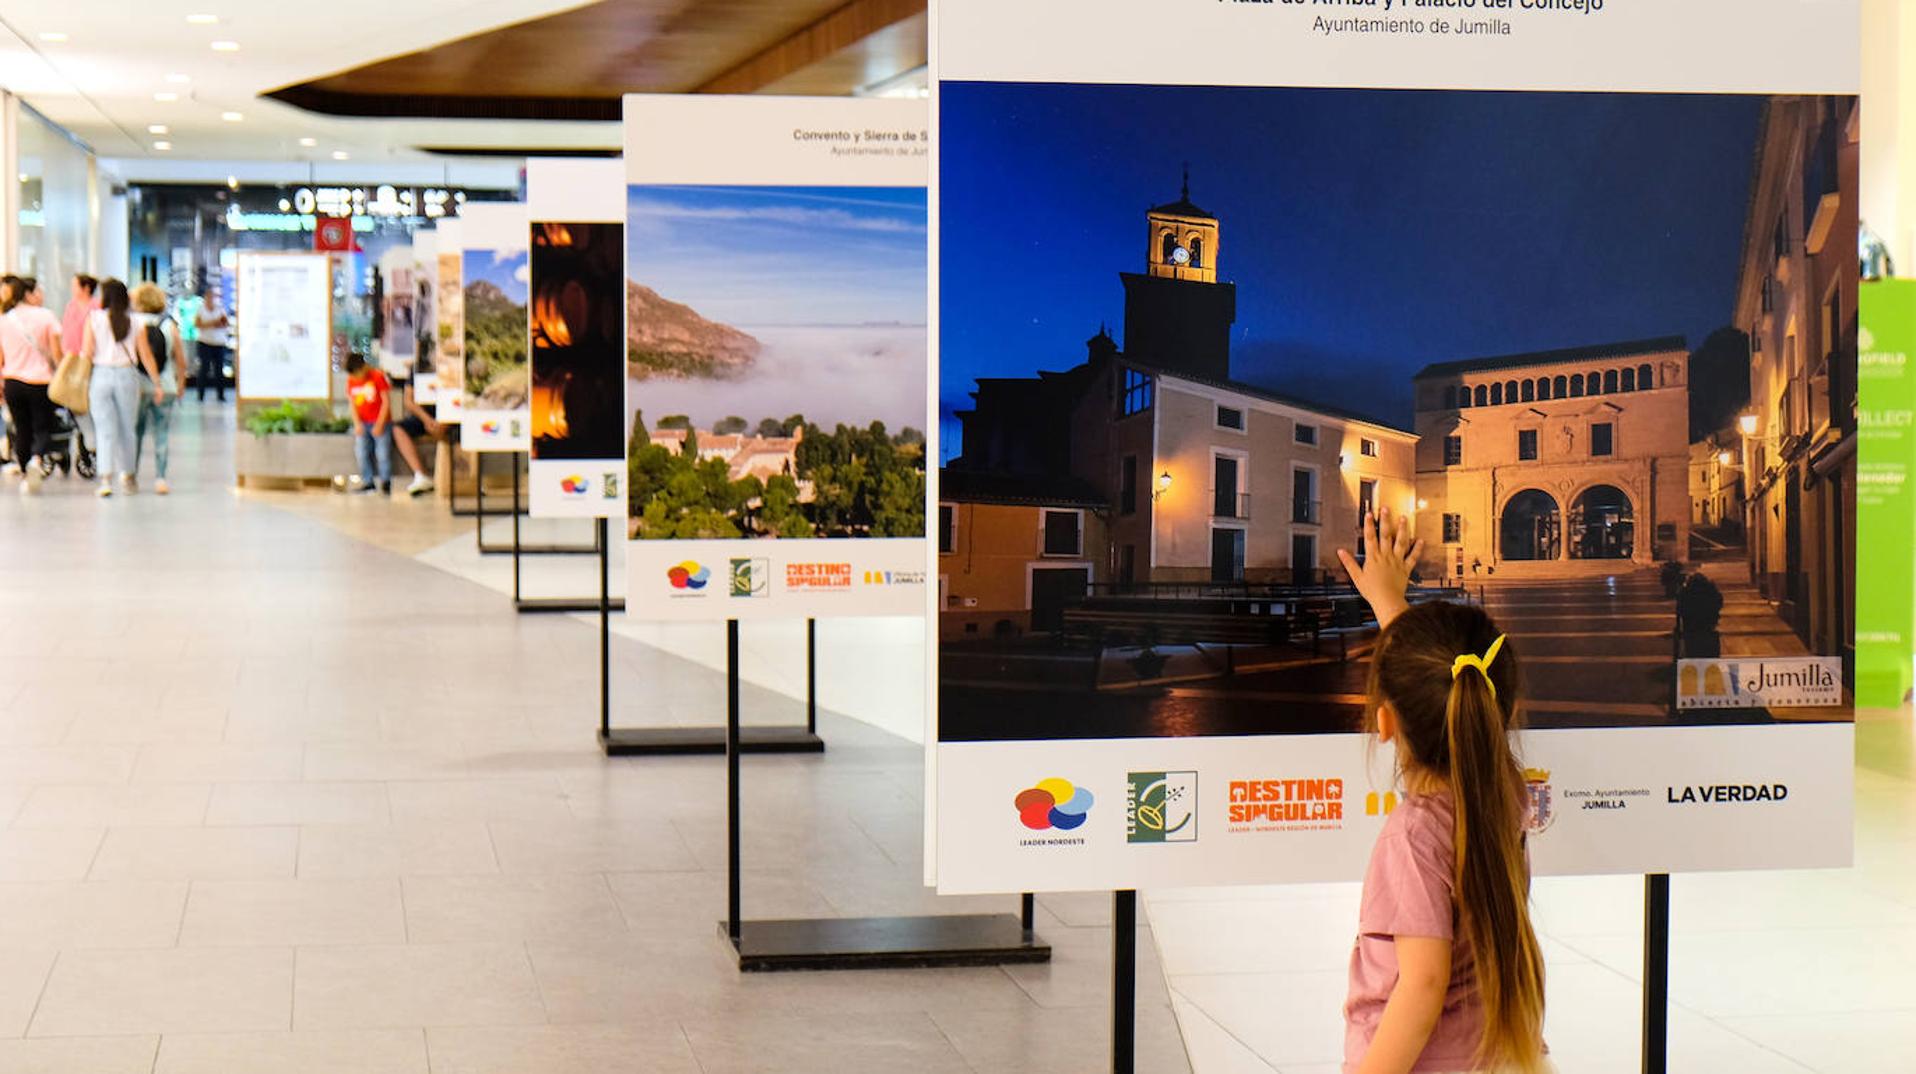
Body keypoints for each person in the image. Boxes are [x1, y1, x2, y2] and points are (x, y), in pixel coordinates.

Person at [1337, 508, 1548, 1074]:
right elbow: (1451, 676)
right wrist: (1390, 608)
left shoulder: (1414, 833)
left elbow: (1422, 984)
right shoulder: (1503, 792)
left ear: (1384, 723)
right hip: (1496, 1050)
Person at [79, 279, 163, 498]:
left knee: (104, 429)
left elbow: (86, 353)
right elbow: (145, 355)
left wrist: (80, 379)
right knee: (128, 428)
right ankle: (127, 475)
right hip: (127, 375)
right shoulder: (135, 322)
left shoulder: (94, 319)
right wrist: (156, 382)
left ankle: (105, 479)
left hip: (100, 375)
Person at [2, 276, 64, 493]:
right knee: (42, 426)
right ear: (27, 294)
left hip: (12, 381)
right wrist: (61, 373)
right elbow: (57, 353)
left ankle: (24, 473)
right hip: (40, 381)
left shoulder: (4, 319)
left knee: (21, 429)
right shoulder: (46, 316)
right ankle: (36, 460)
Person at [130, 283, 185, 495]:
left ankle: (131, 476)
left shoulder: (134, 324)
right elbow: (180, 359)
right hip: (166, 386)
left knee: (136, 432)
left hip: (139, 387)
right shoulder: (170, 325)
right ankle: (160, 478)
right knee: (161, 433)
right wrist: (180, 384)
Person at [346, 352, 393, 495]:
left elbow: (386, 402)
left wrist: (380, 423)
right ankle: (368, 482)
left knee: (383, 453)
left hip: (380, 423)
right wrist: (357, 423)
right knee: (361, 452)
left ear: (364, 367)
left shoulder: (377, 376)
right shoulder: (351, 380)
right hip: (363, 423)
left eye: (358, 372)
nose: (357, 376)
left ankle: (385, 482)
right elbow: (352, 403)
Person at [390, 376, 439, 496]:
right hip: (424, 416)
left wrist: (445, 421)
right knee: (398, 428)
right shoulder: (418, 368)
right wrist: (426, 419)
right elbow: (408, 400)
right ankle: (420, 475)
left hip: (451, 415)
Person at [193, 284, 231, 402]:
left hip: (218, 343)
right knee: (203, 369)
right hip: (205, 342)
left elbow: (225, 323)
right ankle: (201, 394)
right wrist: (214, 323)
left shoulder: (220, 309)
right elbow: (198, 325)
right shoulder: (200, 309)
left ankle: (220, 394)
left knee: (219, 370)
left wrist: (210, 324)